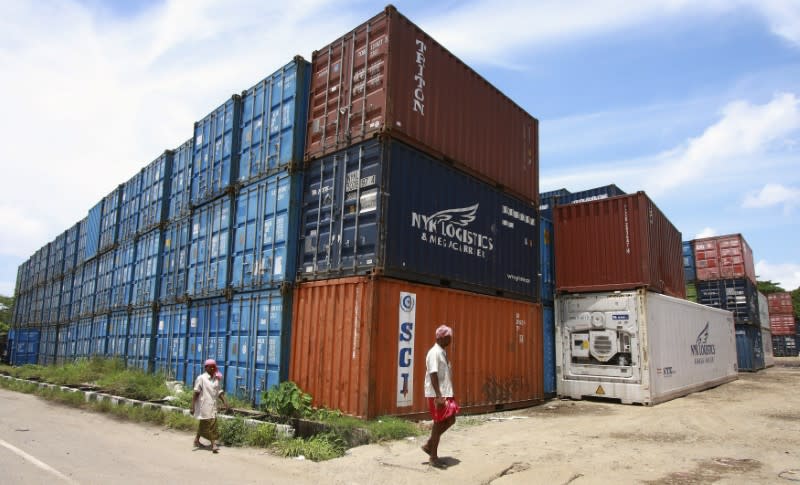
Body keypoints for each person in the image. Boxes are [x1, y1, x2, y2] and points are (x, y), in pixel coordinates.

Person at [422, 324, 459, 468]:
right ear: (442, 337)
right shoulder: (434, 353)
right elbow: (433, 373)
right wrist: (438, 396)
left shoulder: (442, 352)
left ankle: (429, 444)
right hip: (437, 394)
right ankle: (433, 457)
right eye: (449, 337)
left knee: (451, 419)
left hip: (445, 392)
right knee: (438, 423)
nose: (451, 340)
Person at [191, 358, 229, 453]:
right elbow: (196, 392)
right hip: (204, 405)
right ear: (206, 367)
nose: (212, 369)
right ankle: (213, 444)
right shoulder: (201, 378)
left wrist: (225, 402)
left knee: (204, 423)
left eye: (214, 367)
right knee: (211, 424)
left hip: (213, 405)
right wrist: (192, 406)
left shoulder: (216, 378)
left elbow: (219, 392)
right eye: (210, 367)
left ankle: (196, 440)